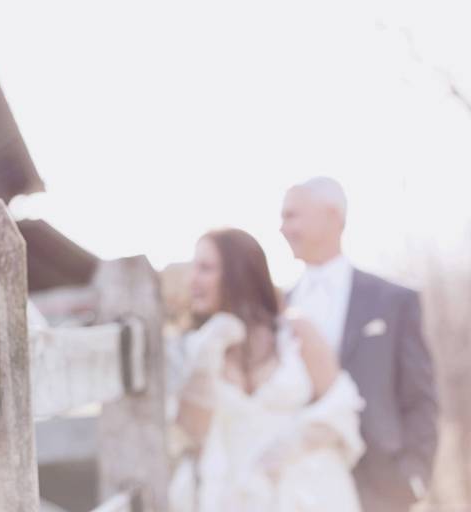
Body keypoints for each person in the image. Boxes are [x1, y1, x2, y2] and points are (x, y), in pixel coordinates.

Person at [171, 228, 364, 512]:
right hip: (230, 494)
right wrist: (204, 359)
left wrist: (281, 453)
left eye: (206, 268)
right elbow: (190, 435)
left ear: (238, 273)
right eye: (193, 268)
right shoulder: (192, 346)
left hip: (306, 490)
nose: (193, 280)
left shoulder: (296, 333)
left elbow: (341, 408)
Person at [282, 177, 438, 511]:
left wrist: (415, 476)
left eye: (292, 215)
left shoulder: (393, 301)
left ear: (331, 215)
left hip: (380, 485)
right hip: (298, 485)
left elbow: (421, 397)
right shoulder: (276, 308)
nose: (283, 228)